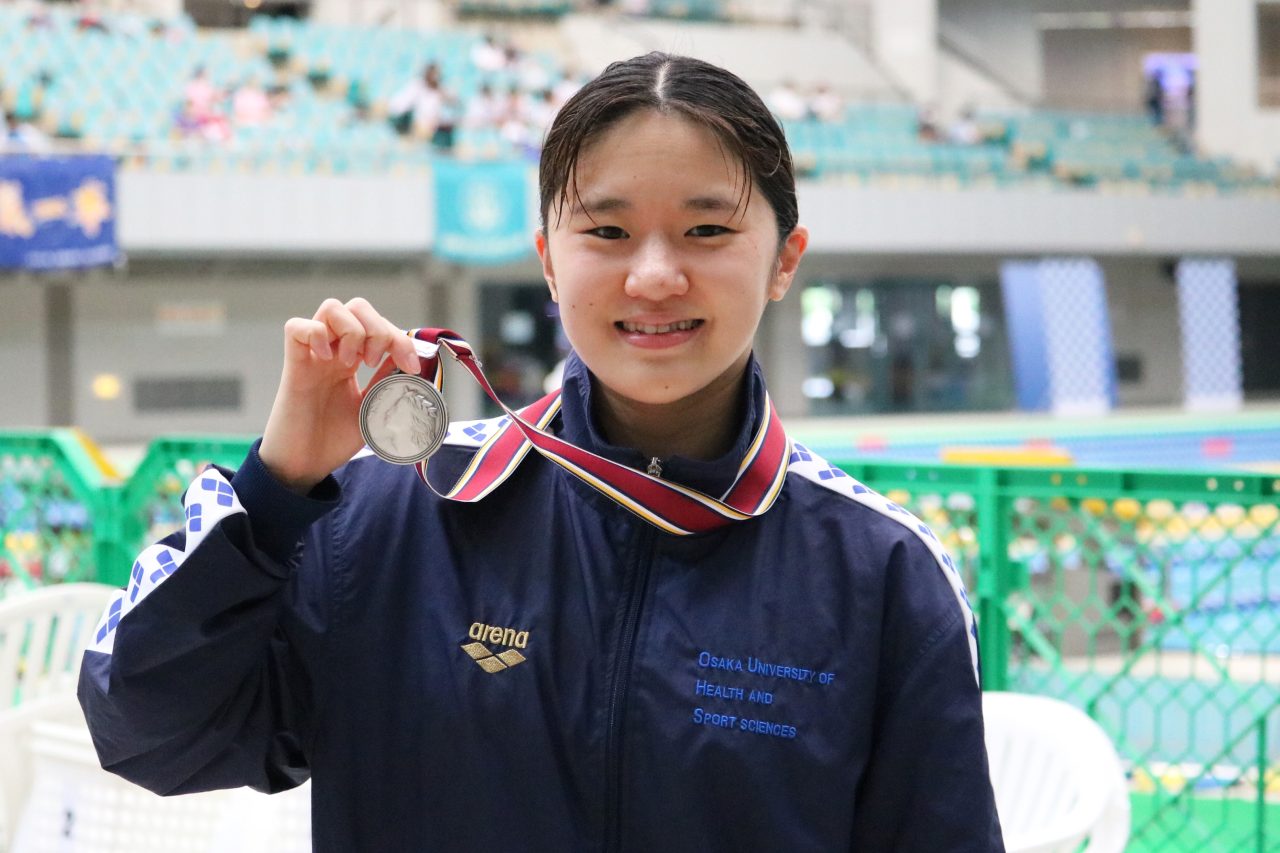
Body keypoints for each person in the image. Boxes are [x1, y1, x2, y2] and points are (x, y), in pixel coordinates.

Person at [79, 52, 1005, 851]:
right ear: (550, 260)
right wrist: (276, 492)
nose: (652, 273)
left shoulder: (880, 573)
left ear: (785, 258)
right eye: (606, 231)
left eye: (707, 229)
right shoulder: (384, 521)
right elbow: (148, 730)